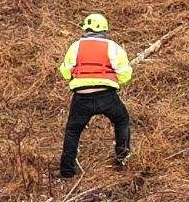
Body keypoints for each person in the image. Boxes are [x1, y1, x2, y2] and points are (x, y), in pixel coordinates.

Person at [57, 12, 135, 177]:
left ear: (85, 28)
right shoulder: (113, 47)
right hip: (107, 95)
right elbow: (125, 73)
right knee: (122, 121)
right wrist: (115, 80)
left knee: (73, 131)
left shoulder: (76, 46)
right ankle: (122, 159)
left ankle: (66, 171)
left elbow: (65, 71)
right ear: (105, 29)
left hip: (81, 97)